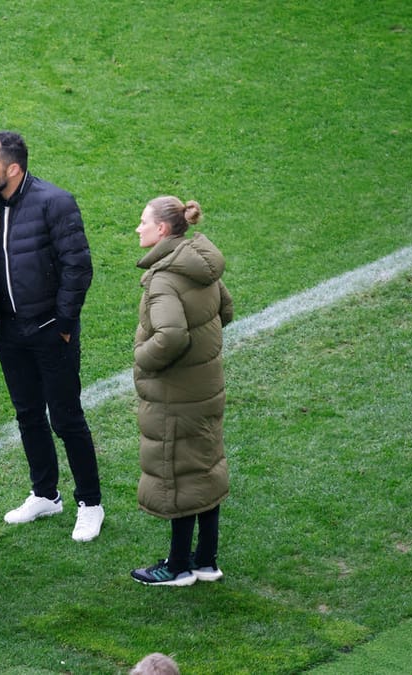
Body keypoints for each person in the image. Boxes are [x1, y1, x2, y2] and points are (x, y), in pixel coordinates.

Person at [0, 131, 105, 541]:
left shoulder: (55, 203)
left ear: (12, 169)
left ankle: (90, 503)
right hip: (7, 330)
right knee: (28, 414)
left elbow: (77, 268)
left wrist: (63, 325)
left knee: (66, 417)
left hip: (50, 332)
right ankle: (45, 494)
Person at [129, 197, 233, 586]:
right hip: (206, 388)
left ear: (163, 230)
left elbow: (171, 336)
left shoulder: (164, 279)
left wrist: (143, 357)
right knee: (204, 468)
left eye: (143, 222)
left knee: (178, 473)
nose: (138, 229)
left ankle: (176, 568)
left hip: (176, 396)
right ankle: (205, 560)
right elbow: (226, 310)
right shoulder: (201, 267)